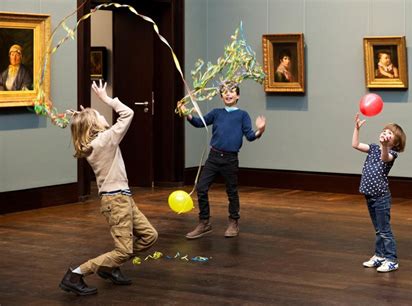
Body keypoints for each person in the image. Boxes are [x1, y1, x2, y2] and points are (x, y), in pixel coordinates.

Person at [59, 80, 158, 295]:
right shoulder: (105, 140)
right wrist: (108, 100)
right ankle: (75, 274)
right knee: (123, 251)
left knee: (150, 236)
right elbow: (128, 114)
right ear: (94, 125)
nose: (104, 114)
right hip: (116, 200)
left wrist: (88, 114)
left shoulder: (98, 141)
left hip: (122, 197)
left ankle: (110, 266)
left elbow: (102, 123)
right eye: (99, 114)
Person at [181, 81, 266, 239]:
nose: (228, 94)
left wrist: (260, 130)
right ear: (221, 96)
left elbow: (250, 136)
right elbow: (200, 122)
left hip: (230, 159)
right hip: (214, 157)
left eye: (232, 91)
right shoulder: (216, 113)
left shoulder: (242, 115)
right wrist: (188, 114)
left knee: (232, 192)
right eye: (225, 92)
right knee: (201, 187)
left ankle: (234, 222)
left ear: (238, 95)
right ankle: (204, 222)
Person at [352, 113, 406, 273]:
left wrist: (383, 145)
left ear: (396, 143)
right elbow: (355, 145)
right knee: (378, 229)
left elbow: (384, 158)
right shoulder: (373, 148)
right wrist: (356, 129)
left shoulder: (391, 154)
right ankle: (379, 255)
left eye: (390, 134)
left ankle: (391, 259)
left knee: (384, 229)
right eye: (385, 131)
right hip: (370, 196)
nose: (385, 134)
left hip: (381, 197)